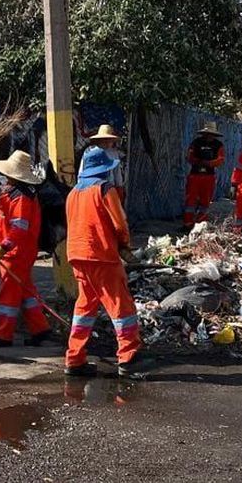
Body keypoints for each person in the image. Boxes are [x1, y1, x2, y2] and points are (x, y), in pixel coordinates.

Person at [63, 147, 143, 377]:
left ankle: (74, 359)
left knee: (84, 308)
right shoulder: (105, 189)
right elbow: (119, 224)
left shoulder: (73, 193)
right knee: (121, 306)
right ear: (104, 170)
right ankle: (128, 358)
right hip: (102, 256)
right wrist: (124, 245)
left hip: (78, 256)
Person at [0, 150, 52, 349]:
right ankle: (40, 328)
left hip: (15, 253)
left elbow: (19, 229)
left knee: (8, 295)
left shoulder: (20, 198)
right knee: (26, 292)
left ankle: (3, 335)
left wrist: (2, 248)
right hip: (17, 252)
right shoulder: (15, 194)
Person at [183, 121, 224, 228]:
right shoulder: (196, 142)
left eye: (211, 133)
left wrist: (209, 163)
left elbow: (220, 160)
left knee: (205, 201)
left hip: (209, 176)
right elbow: (189, 157)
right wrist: (198, 161)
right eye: (207, 133)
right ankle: (188, 224)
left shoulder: (218, 145)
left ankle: (200, 225)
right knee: (190, 200)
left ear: (214, 134)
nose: (209, 135)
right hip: (195, 175)